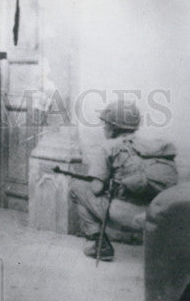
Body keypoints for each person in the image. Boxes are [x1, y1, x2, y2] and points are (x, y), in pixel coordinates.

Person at [69, 98, 178, 261]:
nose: (104, 127)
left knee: (77, 188)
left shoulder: (109, 147)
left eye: (106, 123)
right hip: (156, 213)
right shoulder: (149, 147)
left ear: (113, 127)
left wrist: (102, 180)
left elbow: (96, 188)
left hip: (126, 216)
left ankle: (99, 244)